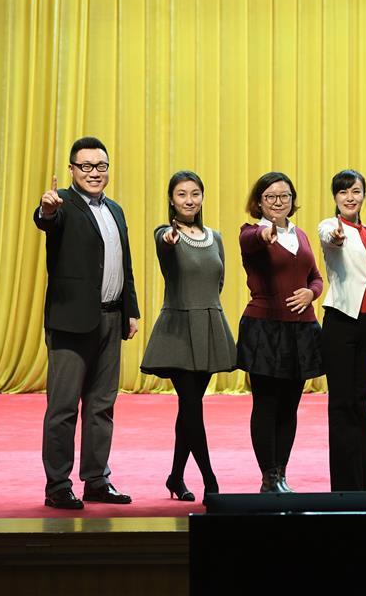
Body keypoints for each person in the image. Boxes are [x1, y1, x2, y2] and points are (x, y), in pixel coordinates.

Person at [33, 136, 140, 509]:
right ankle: (58, 485)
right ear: (72, 169)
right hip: (71, 322)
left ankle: (97, 480)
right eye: (87, 166)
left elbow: (124, 265)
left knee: (101, 405)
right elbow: (48, 220)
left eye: (101, 166)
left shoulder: (116, 210)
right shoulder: (62, 204)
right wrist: (46, 209)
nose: (95, 173)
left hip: (111, 318)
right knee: (63, 407)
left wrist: (131, 310)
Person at [140, 171, 237, 502]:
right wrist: (169, 241)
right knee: (192, 406)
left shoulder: (215, 236)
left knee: (189, 409)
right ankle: (211, 480)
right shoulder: (165, 234)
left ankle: (175, 477)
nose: (189, 200)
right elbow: (165, 250)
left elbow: (218, 280)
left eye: (195, 193)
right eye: (182, 195)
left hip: (210, 327)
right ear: (171, 200)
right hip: (179, 331)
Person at [236, 172, 323, 493]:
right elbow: (251, 242)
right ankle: (268, 475)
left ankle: (281, 473)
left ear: (292, 199)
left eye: (284, 196)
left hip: (302, 331)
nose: (278, 202)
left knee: (290, 405)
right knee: (266, 404)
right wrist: (265, 235)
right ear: (259, 202)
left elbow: (315, 276)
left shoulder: (300, 234)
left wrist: (311, 293)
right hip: (265, 329)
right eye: (270, 197)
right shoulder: (252, 232)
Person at [318, 170, 366, 491]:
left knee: (362, 401)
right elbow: (328, 239)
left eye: (356, 191)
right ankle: (343, 483)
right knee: (341, 402)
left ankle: (364, 481)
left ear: (363, 195)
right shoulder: (329, 227)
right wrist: (335, 237)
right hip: (340, 321)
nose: (350, 197)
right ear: (335, 197)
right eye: (343, 192)